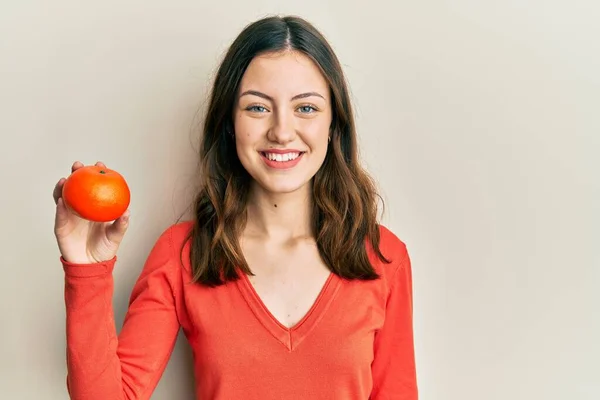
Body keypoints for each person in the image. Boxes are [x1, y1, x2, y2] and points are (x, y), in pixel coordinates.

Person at [53, 15, 418, 400]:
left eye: (306, 108)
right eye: (258, 108)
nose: (281, 131)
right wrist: (86, 271)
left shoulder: (385, 258)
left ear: (333, 124)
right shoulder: (184, 254)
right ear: (229, 122)